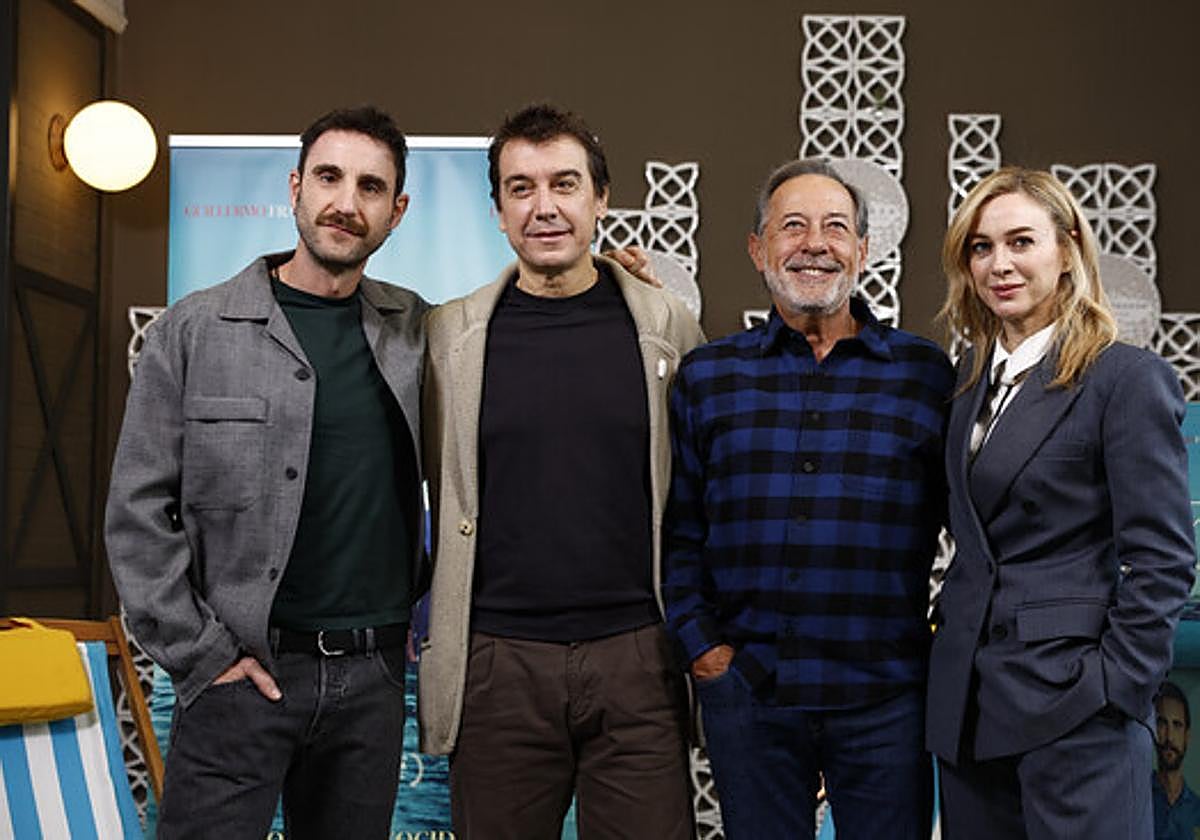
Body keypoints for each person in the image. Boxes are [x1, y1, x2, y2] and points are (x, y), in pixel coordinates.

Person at [105, 106, 427, 839]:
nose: (347, 203)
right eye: (329, 177)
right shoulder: (192, 331)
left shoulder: (420, 334)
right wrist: (202, 656)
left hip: (372, 683)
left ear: (396, 211)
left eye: (371, 187)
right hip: (237, 674)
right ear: (294, 187)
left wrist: (616, 275)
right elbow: (135, 512)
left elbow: (523, 321)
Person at [418, 103, 703, 840]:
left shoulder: (667, 327)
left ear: (600, 199)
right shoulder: (450, 335)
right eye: (521, 188)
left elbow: (701, 489)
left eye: (564, 184)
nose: (544, 207)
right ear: (498, 210)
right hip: (497, 662)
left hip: (639, 656)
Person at [662, 158, 954, 839]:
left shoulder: (923, 375)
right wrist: (707, 653)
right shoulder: (709, 376)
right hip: (752, 695)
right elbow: (680, 536)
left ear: (862, 250)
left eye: (835, 227)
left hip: (887, 701)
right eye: (792, 226)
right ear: (759, 249)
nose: (814, 244)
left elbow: (974, 524)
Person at [926, 167, 1195, 839]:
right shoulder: (965, 382)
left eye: (1021, 241)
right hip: (967, 714)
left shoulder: (1124, 380)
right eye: (981, 248)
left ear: (1069, 248)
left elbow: (1163, 561)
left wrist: (1114, 689)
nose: (1000, 264)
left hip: (1077, 715)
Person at [1154, 681, 1200, 839]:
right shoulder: (1137, 799)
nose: (1170, 737)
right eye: (1162, 724)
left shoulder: (1197, 810)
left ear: (1187, 736)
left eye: (1177, 725)